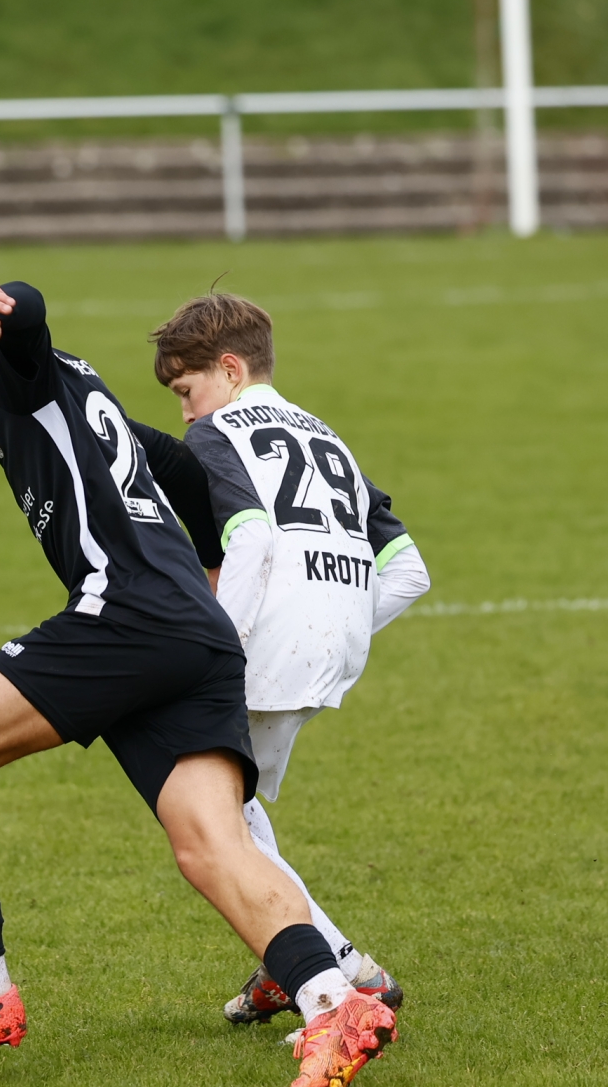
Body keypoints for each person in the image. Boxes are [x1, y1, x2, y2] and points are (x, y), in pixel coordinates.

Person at [0, 268, 395, 1087]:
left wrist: (8, 306)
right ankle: (336, 1005)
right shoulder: (68, 386)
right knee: (211, 844)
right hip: (193, 632)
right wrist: (210, 568)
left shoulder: (7, 370)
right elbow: (178, 463)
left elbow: (28, 320)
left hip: (127, 614)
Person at [149, 291, 432, 1033]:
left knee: (217, 826)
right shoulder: (327, 436)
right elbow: (409, 572)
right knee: (235, 813)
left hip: (262, 652)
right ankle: (291, 965)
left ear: (230, 370)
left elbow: (251, 540)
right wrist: (337, 621)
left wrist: (222, 648)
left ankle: (343, 968)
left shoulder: (218, 435)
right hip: (329, 652)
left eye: (186, 390)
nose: (186, 413)